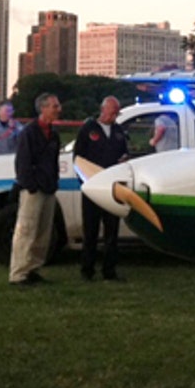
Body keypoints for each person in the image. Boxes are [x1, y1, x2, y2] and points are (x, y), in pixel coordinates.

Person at [73, 96, 129, 281]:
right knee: (90, 232)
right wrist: (85, 184)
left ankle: (109, 271)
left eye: (117, 112)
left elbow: (124, 154)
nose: (115, 115)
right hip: (92, 188)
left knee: (111, 232)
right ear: (103, 109)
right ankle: (87, 270)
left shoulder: (119, 131)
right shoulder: (88, 129)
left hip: (112, 189)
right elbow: (78, 159)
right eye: (113, 111)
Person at [9, 93, 62, 286]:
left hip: (48, 188)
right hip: (34, 189)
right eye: (55, 106)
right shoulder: (29, 133)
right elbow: (22, 162)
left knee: (43, 232)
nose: (58, 110)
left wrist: (53, 181)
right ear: (43, 108)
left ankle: (33, 268)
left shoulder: (53, 134)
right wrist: (30, 185)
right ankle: (19, 273)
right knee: (26, 231)